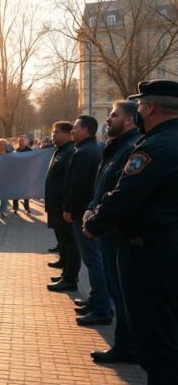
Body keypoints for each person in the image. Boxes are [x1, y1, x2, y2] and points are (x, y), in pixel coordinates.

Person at [83, 79, 178, 385]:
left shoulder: (153, 147)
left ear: (149, 107)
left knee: (159, 345)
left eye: (139, 106)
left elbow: (125, 197)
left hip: (151, 256)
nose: (136, 111)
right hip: (165, 251)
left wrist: (94, 221)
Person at [84, 100, 141, 364]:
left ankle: (127, 347)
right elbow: (102, 187)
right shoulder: (116, 148)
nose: (108, 119)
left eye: (114, 115)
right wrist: (90, 209)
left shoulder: (130, 148)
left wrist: (95, 221)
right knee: (119, 293)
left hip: (117, 235)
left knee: (123, 295)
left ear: (129, 120)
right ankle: (125, 344)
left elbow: (122, 196)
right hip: (107, 231)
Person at [65, 115, 110, 326]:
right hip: (87, 210)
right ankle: (96, 299)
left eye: (75, 127)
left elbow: (77, 185)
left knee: (93, 261)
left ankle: (101, 307)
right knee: (94, 260)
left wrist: (68, 209)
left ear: (86, 131)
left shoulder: (84, 152)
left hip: (82, 212)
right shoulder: (91, 149)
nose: (72, 130)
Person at [45, 121, 82, 292]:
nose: (53, 135)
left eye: (57, 132)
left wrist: (67, 206)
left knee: (69, 242)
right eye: (53, 132)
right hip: (55, 205)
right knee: (63, 241)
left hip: (62, 206)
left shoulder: (70, 152)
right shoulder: (60, 151)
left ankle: (70, 278)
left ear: (68, 134)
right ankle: (65, 268)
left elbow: (72, 182)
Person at [12, 135, 32, 214]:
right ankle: (15, 207)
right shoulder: (16, 151)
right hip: (17, 174)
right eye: (19, 141)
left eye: (22, 141)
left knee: (26, 192)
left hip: (26, 174)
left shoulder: (30, 150)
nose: (21, 142)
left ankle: (27, 207)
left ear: (25, 142)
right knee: (15, 191)